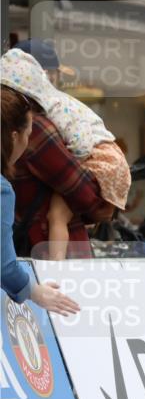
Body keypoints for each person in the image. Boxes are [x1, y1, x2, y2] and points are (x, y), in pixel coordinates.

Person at [2, 49, 130, 260]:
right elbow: (86, 194)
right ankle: (57, 268)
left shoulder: (11, 124)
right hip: (45, 249)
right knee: (58, 217)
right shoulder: (36, 128)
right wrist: (105, 203)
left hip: (19, 251)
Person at [1, 87, 79, 315]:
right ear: (14, 137)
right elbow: (4, 265)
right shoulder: (2, 191)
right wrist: (38, 293)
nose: (27, 144)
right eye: (28, 134)